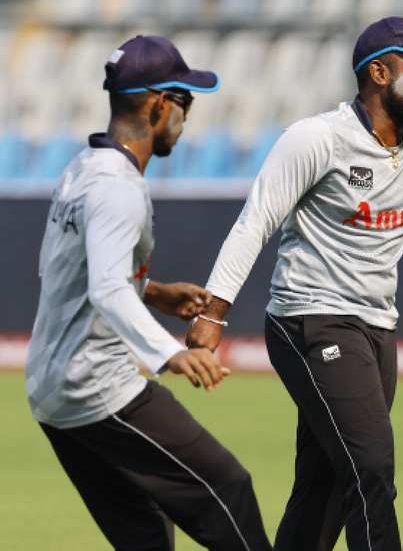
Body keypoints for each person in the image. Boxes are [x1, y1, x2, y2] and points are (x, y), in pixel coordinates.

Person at [185, 17, 403, 551]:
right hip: (309, 318)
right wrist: (212, 315)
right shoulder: (317, 138)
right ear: (379, 72)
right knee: (371, 467)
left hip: (375, 328)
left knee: (325, 483)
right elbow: (256, 222)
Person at [25, 35, 272, 551]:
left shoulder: (81, 169)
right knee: (228, 489)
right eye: (186, 102)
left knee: (145, 538)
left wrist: (154, 292)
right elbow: (108, 288)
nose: (186, 118)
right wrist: (171, 354)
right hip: (96, 388)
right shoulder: (119, 188)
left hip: (51, 391)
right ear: (160, 103)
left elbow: (63, 270)